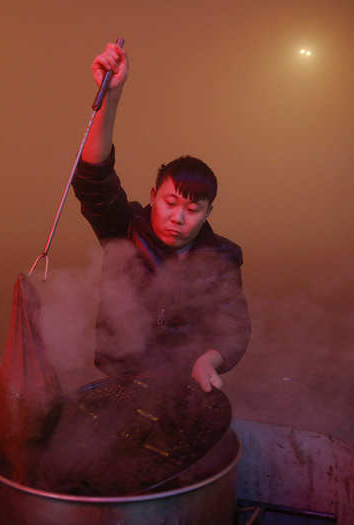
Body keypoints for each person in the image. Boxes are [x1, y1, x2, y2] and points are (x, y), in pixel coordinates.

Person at [72, 42, 251, 393]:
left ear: (207, 213)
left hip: (186, 382)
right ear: (154, 197)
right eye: (170, 203)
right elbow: (93, 179)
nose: (178, 218)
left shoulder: (223, 257)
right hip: (121, 379)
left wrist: (209, 359)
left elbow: (234, 328)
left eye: (192, 209)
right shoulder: (124, 230)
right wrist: (111, 97)